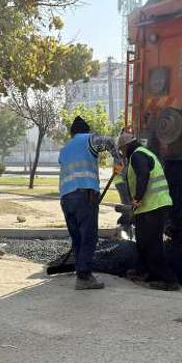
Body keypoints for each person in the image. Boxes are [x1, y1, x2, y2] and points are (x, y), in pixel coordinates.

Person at [59, 116, 117, 290]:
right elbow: (109, 141)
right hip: (84, 195)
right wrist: (119, 160)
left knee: (77, 237)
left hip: (66, 198)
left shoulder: (64, 149)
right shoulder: (89, 139)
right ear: (86, 130)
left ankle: (80, 270)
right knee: (89, 237)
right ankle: (84, 277)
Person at [117, 132, 178, 291]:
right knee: (144, 242)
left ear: (125, 147)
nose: (122, 154)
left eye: (121, 150)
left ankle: (169, 280)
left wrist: (137, 198)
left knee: (152, 244)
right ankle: (143, 271)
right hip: (151, 206)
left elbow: (143, 175)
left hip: (153, 206)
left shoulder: (137, 156)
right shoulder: (143, 153)